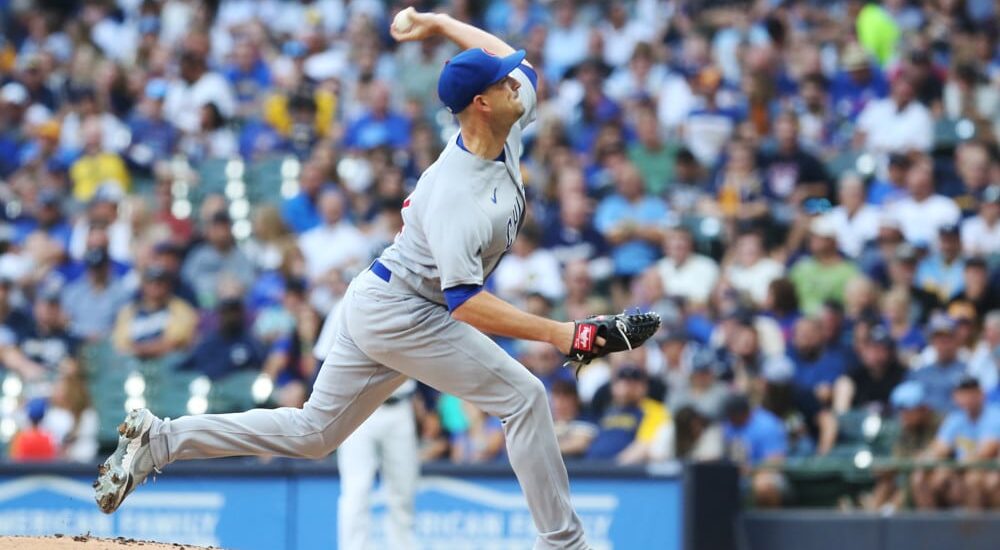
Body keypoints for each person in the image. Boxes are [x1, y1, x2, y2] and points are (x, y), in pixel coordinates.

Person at [96, 12, 600, 548]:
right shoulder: (454, 193)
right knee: (523, 397)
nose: (516, 82)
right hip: (408, 310)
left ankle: (162, 439)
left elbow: (507, 57)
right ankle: (565, 543)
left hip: (382, 298)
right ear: (480, 103)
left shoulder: (507, 115)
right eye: (502, 81)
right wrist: (559, 333)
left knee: (313, 434)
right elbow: (465, 303)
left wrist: (437, 22)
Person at [311, 304, 419, 550]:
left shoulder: (408, 303)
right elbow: (322, 362)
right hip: (358, 409)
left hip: (400, 406)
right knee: (356, 489)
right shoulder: (346, 304)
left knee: (403, 490)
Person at [911, 377, 1000, 509]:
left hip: (987, 471)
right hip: (960, 470)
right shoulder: (955, 419)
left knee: (973, 480)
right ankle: (930, 527)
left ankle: (974, 528)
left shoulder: (995, 415)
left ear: (981, 394)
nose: (967, 397)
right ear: (956, 397)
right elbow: (940, 448)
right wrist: (927, 458)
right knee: (921, 477)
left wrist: (953, 467)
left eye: (971, 392)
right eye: (963, 393)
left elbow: (986, 452)